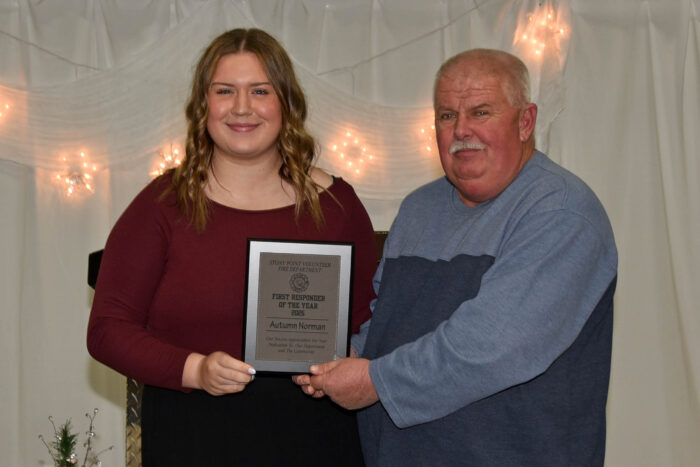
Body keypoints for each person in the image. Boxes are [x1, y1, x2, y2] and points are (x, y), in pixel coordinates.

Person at [294, 49, 618, 466]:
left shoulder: (560, 213)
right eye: (447, 115)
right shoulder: (418, 209)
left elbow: (491, 345)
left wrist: (374, 381)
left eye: (481, 112)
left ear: (526, 121)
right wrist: (346, 357)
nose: (462, 129)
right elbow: (383, 319)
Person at [87, 28, 376, 466]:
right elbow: (108, 330)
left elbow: (374, 322)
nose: (242, 107)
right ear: (203, 105)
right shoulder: (163, 205)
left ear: (286, 103)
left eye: (260, 90)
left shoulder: (337, 206)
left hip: (316, 442)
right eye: (224, 90)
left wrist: (352, 361)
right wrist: (196, 370)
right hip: (193, 442)